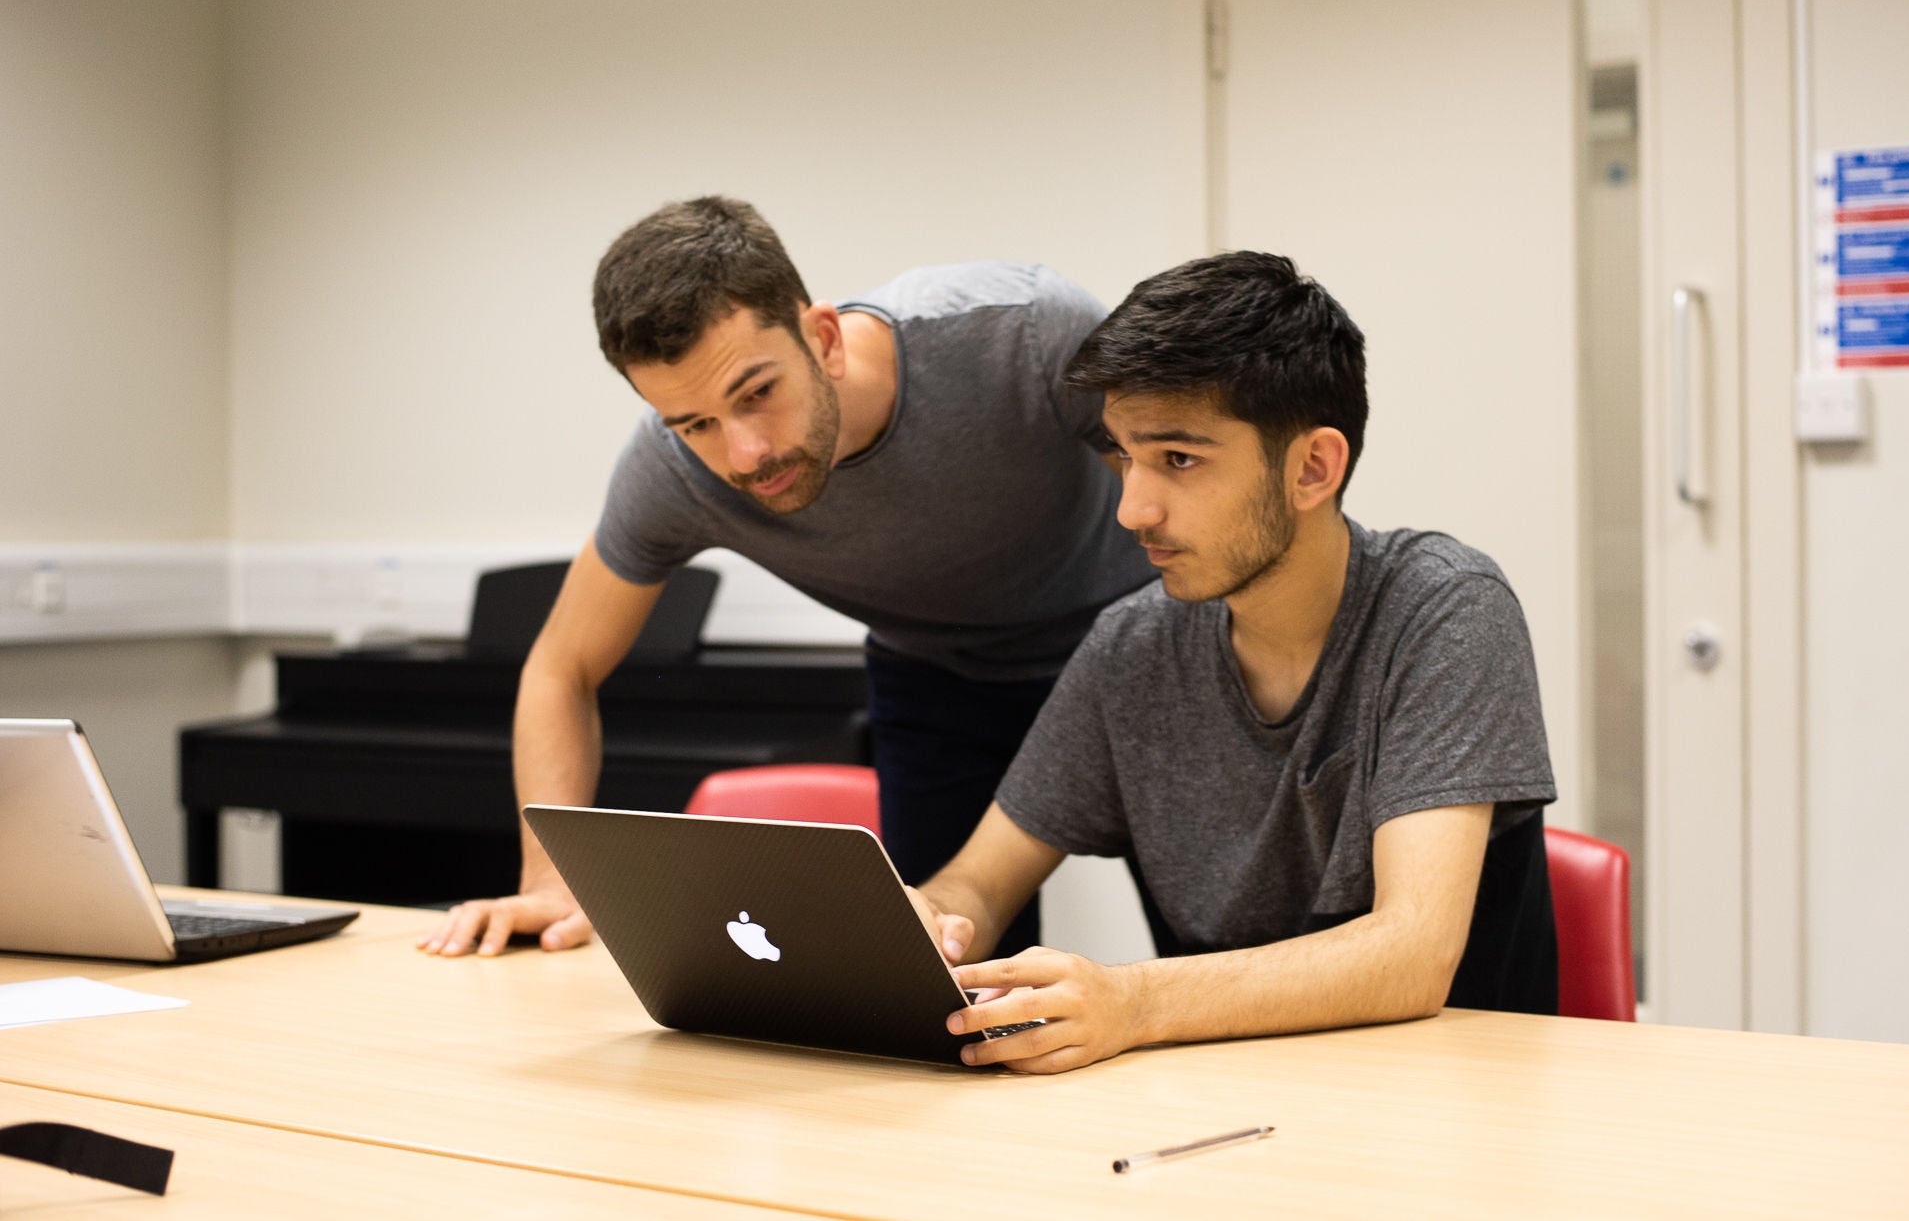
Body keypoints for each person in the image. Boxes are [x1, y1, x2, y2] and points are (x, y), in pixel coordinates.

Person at [419, 196, 1152, 959]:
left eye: (756, 393)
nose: (743, 453)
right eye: (695, 423)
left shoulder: (1024, 330)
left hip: (1138, 654)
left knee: (1210, 953)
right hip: (939, 680)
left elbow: (1185, 502)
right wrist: (548, 882)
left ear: (823, 337)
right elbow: (560, 666)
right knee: (939, 981)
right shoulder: (670, 473)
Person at [907, 250, 1559, 1073]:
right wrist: (929, 916)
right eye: (1123, 457)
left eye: (1178, 459)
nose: (1132, 509)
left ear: (1313, 468)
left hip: (1451, 1111)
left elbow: (1411, 953)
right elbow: (980, 884)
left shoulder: (1446, 609)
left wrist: (1133, 1000)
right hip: (1220, 1109)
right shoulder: (1132, 646)